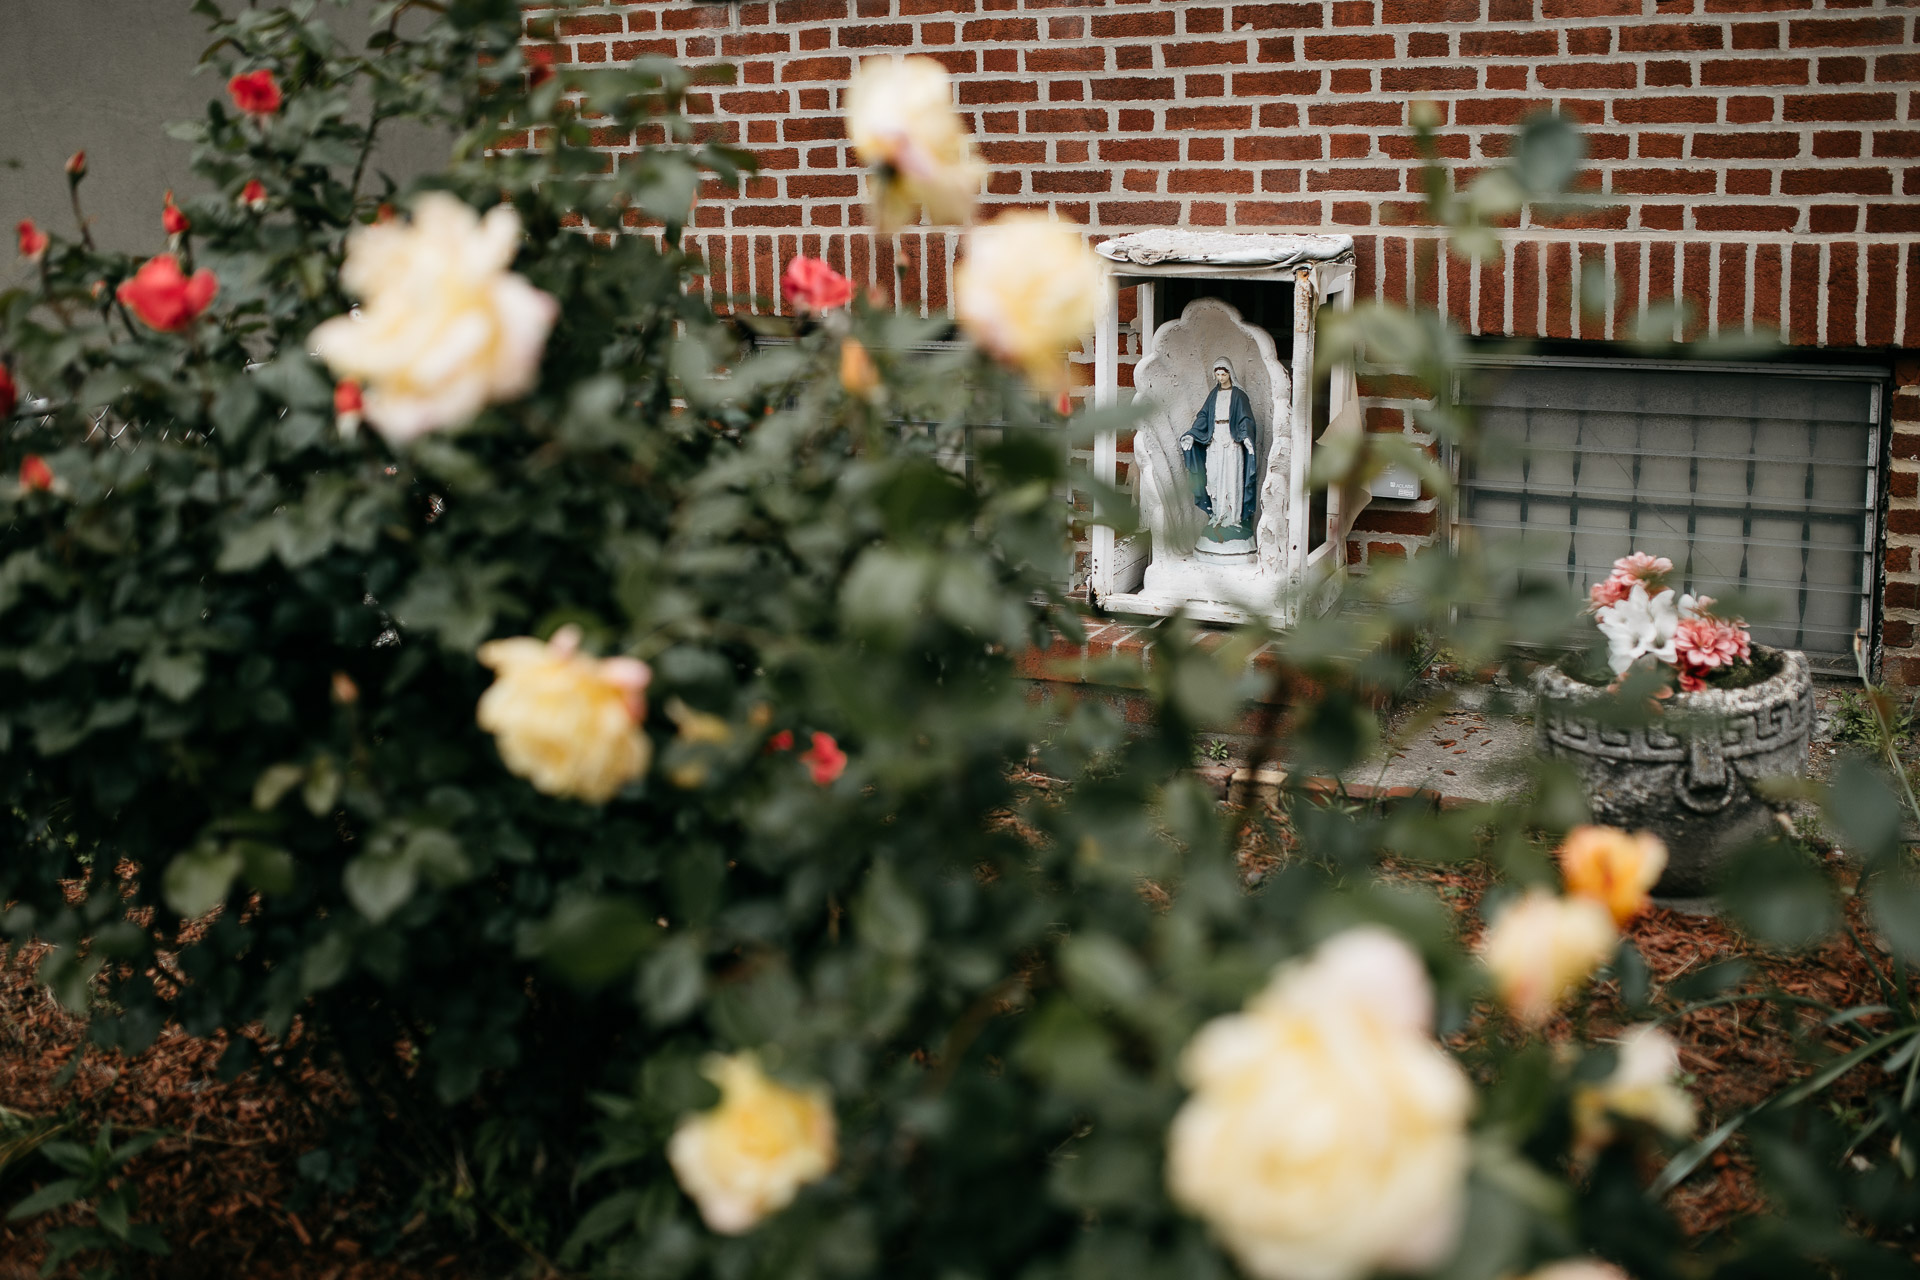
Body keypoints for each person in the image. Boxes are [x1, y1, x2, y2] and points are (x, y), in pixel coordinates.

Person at [1178, 357, 1258, 539]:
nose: (1221, 378)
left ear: (1230, 373)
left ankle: (1233, 518)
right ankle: (1216, 515)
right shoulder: (1213, 395)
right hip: (1215, 440)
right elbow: (1203, 416)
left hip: (1231, 442)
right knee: (1213, 478)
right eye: (1218, 374)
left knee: (1231, 479)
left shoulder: (1239, 395)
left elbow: (1246, 419)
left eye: (1223, 374)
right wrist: (1192, 434)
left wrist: (1245, 437)